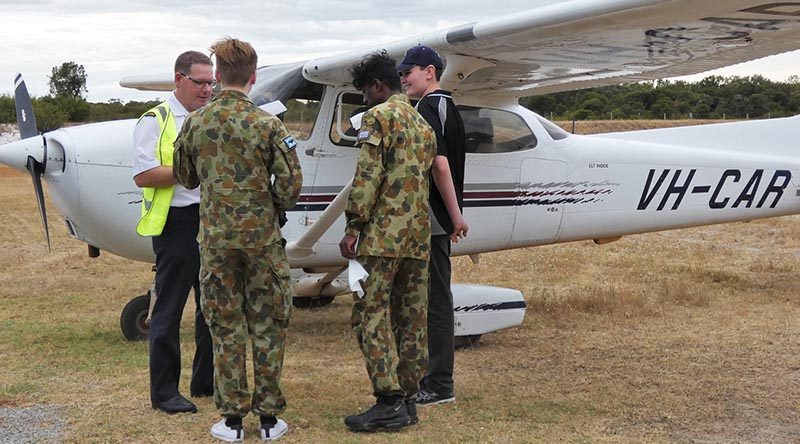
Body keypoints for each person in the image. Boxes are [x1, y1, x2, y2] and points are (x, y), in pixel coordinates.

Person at [174, 37, 302, 443]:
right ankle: (267, 419)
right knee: (268, 326)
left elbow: (186, 176)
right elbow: (291, 183)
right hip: (263, 242)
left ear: (220, 76)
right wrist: (271, 206)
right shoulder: (268, 124)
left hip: (215, 242)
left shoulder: (195, 123)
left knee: (225, 328)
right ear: (252, 77)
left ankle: (231, 420)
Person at [339, 50, 437, 432]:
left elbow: (367, 177)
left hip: (382, 236)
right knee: (411, 318)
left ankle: (388, 399)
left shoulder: (378, 118)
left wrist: (353, 227)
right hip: (416, 236)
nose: (364, 100)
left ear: (378, 86)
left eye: (365, 92)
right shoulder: (422, 123)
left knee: (369, 314)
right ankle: (409, 397)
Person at [132, 50, 215, 415]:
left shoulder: (210, 117)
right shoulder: (156, 119)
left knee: (211, 306)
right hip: (176, 223)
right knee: (169, 309)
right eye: (199, 82)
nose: (207, 89)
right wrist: (192, 169)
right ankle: (164, 393)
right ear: (178, 79)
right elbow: (144, 175)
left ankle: (205, 382)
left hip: (210, 220)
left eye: (211, 82)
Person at [398, 45, 468, 407]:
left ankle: (440, 384)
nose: (403, 78)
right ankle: (432, 377)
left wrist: (454, 217)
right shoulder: (446, 105)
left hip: (435, 221)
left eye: (408, 72)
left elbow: (439, 166)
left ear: (429, 71)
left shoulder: (427, 108)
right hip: (440, 219)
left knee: (436, 303)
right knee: (432, 299)